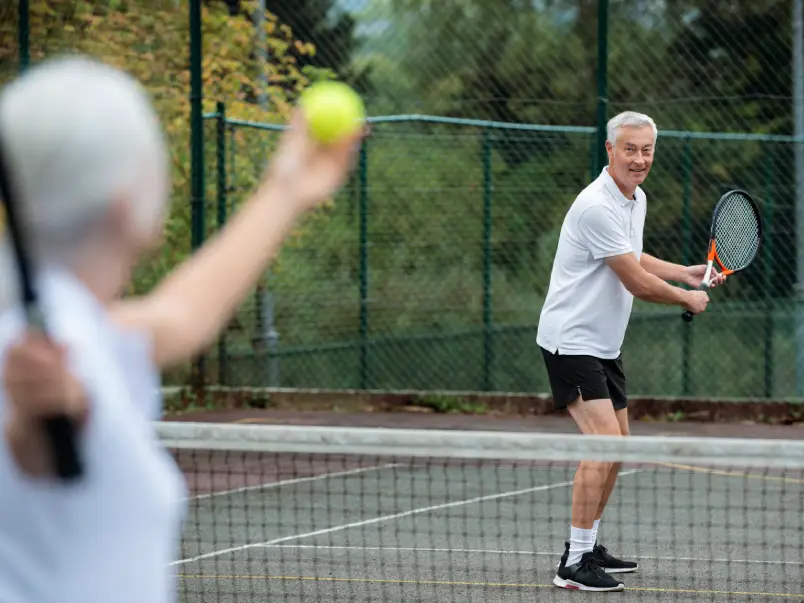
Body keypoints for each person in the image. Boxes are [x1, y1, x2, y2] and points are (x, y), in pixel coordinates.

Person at [0, 56, 362, 603]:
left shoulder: (70, 324)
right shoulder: (47, 355)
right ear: (126, 202)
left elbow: (182, 317)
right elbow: (38, 437)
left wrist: (287, 189)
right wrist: (38, 419)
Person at [536, 111, 724, 592]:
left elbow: (630, 253)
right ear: (610, 151)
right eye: (630, 149)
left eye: (646, 150)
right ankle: (573, 564)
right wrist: (686, 297)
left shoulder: (634, 198)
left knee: (619, 447)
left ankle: (589, 544)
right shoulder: (595, 204)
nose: (639, 159)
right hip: (571, 340)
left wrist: (685, 272)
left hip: (603, 344)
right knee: (604, 446)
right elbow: (636, 281)